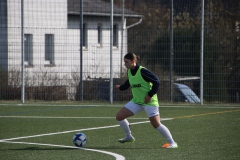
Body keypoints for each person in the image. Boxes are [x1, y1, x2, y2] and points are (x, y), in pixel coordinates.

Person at [115, 52, 178, 148]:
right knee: (119, 116)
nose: (125, 64)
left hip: (149, 102)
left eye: (126, 62)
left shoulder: (143, 71)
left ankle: (172, 143)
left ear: (133, 61)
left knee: (156, 124)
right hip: (137, 101)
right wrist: (120, 87)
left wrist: (150, 94)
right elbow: (128, 83)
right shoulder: (129, 71)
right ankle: (129, 136)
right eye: (124, 62)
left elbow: (156, 81)